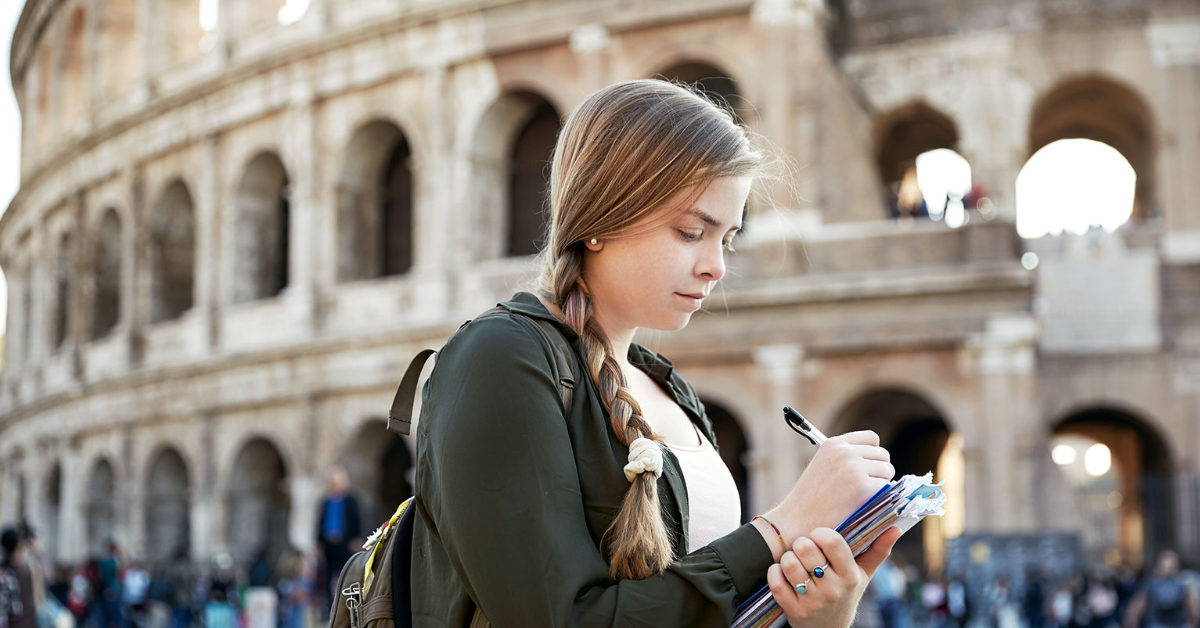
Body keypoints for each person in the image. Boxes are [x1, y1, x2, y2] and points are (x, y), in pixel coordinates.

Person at [409, 78, 900, 627]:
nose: (716, 265)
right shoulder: (501, 356)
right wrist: (781, 527)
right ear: (602, 217)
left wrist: (819, 616)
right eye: (692, 232)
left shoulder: (666, 386)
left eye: (728, 239)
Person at [314, 465, 360, 613]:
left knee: (344, 574)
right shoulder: (326, 501)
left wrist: (355, 539)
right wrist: (318, 543)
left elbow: (356, 520)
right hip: (328, 544)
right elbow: (320, 522)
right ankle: (328, 608)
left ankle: (344, 607)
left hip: (344, 543)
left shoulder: (351, 501)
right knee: (326, 577)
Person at [1124, 550, 1199, 628]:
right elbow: (1136, 607)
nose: (1168, 570)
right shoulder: (1151, 584)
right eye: (1165, 567)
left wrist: (1191, 623)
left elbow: (1191, 608)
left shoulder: (1181, 585)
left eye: (1171, 567)